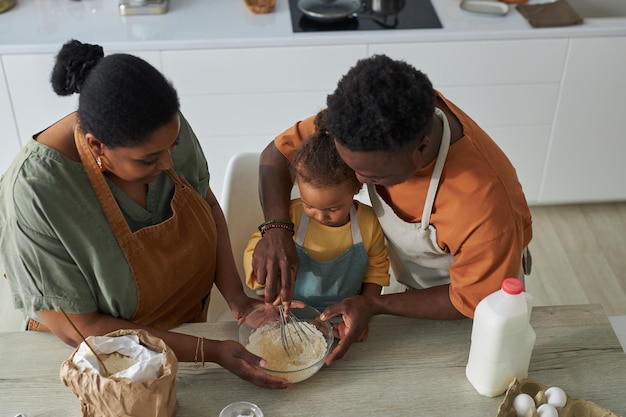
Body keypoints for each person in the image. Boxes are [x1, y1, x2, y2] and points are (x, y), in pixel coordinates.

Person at [0, 40, 289, 389]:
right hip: (99, 361)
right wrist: (206, 351)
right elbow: (84, 329)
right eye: (149, 160)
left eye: (173, 146)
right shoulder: (35, 193)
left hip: (190, 328)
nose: (168, 164)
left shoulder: (160, 128)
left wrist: (239, 301)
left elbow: (207, 205)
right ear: (96, 147)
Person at [252, 54, 533, 365]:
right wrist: (277, 228)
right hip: (407, 277)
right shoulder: (365, 117)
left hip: (463, 301)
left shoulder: (484, 206)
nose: (358, 182)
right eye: (351, 167)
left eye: (372, 177)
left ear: (421, 149)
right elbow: (275, 155)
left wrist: (376, 304)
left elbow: (470, 300)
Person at [243, 111, 390, 339]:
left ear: (356, 189)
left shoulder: (368, 224)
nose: (320, 216)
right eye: (309, 205)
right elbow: (257, 252)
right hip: (288, 314)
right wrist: (263, 275)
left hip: (341, 318)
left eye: (333, 209)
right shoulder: (290, 217)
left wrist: (365, 307)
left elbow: (377, 270)